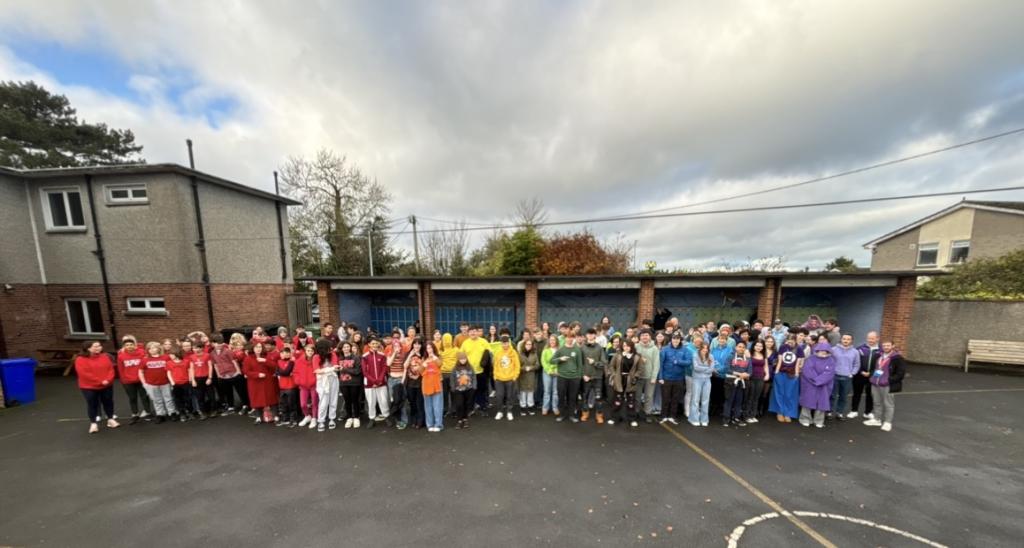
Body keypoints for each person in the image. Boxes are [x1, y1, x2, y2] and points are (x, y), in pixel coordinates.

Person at [74, 341, 119, 434]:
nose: (98, 348)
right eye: (95, 346)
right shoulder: (80, 359)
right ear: (88, 348)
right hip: (89, 386)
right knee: (92, 404)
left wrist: (108, 380)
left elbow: (110, 369)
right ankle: (93, 423)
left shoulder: (105, 357)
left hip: (106, 385)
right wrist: (99, 381)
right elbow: (84, 374)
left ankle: (110, 419)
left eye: (99, 346)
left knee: (108, 402)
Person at [864, 341, 906, 432]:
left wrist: (888, 380)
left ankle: (887, 422)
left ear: (893, 346)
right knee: (876, 402)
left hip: (887, 385)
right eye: (884, 345)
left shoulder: (897, 358)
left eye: (888, 345)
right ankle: (877, 419)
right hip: (875, 383)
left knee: (888, 404)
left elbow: (901, 373)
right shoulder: (879, 356)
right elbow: (874, 368)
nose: (886, 347)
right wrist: (872, 377)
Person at [606, 338, 643, 427]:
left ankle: (631, 419)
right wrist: (614, 375)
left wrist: (636, 376)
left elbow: (640, 369)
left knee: (631, 401)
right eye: (624, 346)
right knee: (617, 400)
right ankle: (615, 417)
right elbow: (611, 366)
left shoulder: (637, 357)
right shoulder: (618, 355)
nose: (626, 348)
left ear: (631, 346)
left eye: (628, 346)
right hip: (619, 380)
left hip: (630, 380)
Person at [799, 342, 836, 428]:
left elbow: (829, 373)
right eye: (821, 350)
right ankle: (805, 419)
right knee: (807, 401)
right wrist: (815, 380)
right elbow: (807, 370)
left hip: (824, 385)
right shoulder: (811, 359)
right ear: (817, 350)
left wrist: (819, 381)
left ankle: (819, 421)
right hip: (810, 384)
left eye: (826, 351)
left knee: (822, 403)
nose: (823, 352)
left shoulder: (831, 360)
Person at [116, 335, 151, 424]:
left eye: (131, 344)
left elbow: (146, 365)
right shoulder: (121, 356)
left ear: (134, 345)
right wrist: (123, 380)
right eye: (127, 345)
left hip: (141, 380)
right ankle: (135, 414)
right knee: (132, 398)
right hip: (128, 381)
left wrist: (146, 378)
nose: (129, 346)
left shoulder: (142, 353)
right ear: (124, 347)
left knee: (144, 397)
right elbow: (120, 369)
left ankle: (148, 412)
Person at [658, 332, 691, 425]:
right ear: (671, 340)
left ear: (680, 340)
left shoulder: (685, 350)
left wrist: (678, 362)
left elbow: (688, 362)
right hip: (666, 377)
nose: (675, 340)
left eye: (677, 339)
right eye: (674, 338)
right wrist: (660, 377)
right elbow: (660, 364)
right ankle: (663, 416)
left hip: (679, 378)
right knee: (665, 398)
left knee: (675, 398)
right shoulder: (664, 349)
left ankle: (672, 416)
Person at [210, 334, 248, 416]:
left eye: (221, 343)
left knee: (240, 391)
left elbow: (234, 361)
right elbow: (215, 364)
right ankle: (231, 407)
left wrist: (238, 372)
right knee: (228, 392)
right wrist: (218, 375)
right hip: (223, 376)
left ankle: (245, 406)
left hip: (234, 374)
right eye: (217, 343)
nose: (219, 344)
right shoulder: (212, 353)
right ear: (212, 344)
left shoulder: (227, 351)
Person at [459, 326, 493, 416]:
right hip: (469, 372)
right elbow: (461, 356)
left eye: (474, 331)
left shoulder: (483, 342)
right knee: (470, 391)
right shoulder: (465, 343)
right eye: (471, 332)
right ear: (468, 333)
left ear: (477, 332)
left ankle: (483, 408)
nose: (473, 333)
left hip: (481, 371)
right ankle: (470, 409)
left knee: (482, 391)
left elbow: (490, 352)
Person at [242, 341, 278, 425]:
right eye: (256, 347)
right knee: (256, 399)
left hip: (267, 381)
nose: (258, 349)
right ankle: (258, 417)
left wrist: (265, 361)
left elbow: (274, 366)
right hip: (255, 383)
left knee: (271, 398)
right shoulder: (248, 358)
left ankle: (275, 415)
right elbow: (246, 371)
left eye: (260, 347)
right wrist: (257, 374)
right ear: (253, 348)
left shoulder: (266, 356)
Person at [140, 341, 176, 423]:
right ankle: (160, 414)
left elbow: (172, 369)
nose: (152, 350)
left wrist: (172, 381)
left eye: (154, 347)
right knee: (157, 400)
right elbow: (140, 372)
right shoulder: (145, 360)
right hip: (152, 384)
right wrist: (144, 383)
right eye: (150, 348)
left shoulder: (166, 358)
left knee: (169, 399)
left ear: (159, 348)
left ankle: (172, 413)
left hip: (165, 382)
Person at [768, 335, 802, 423]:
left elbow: (798, 363)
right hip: (781, 373)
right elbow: (779, 360)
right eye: (788, 341)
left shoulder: (799, 349)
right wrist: (776, 372)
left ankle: (788, 413)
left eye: (792, 341)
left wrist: (797, 373)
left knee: (790, 394)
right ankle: (779, 412)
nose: (790, 343)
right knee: (779, 392)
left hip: (792, 374)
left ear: (795, 341)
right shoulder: (783, 347)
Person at [553, 334, 584, 422]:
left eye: (571, 337)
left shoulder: (577, 349)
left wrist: (578, 377)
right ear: (565, 338)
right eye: (568, 337)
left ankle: (571, 415)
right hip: (562, 377)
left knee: (572, 397)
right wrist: (560, 359)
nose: (569, 339)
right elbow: (552, 361)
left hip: (574, 378)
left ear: (573, 338)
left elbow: (580, 364)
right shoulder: (561, 349)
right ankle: (561, 415)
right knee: (561, 397)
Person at [580, 329, 608, 424]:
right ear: (586, 335)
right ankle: (585, 413)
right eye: (589, 334)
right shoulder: (582, 347)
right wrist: (583, 374)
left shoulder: (599, 348)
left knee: (598, 398)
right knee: (585, 396)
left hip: (597, 377)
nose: (590, 336)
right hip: (586, 377)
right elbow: (580, 363)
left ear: (595, 335)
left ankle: (599, 415)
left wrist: (594, 363)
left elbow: (604, 363)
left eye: (592, 334)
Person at [362, 338, 390, 428]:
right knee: (371, 402)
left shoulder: (382, 355)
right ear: (369, 344)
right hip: (369, 384)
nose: (375, 345)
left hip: (381, 383)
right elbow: (364, 371)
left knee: (384, 401)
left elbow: (384, 369)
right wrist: (373, 381)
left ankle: (386, 416)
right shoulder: (365, 356)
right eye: (373, 344)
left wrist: (379, 380)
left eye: (376, 344)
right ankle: (372, 418)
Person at [851, 332, 880, 420]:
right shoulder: (860, 349)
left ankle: (867, 412)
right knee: (856, 393)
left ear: (877, 338)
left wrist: (872, 374)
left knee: (870, 395)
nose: (870, 340)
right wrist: (860, 371)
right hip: (859, 375)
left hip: (873, 376)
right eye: (869, 338)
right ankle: (854, 411)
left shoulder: (881, 350)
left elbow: (882, 366)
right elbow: (855, 362)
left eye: (872, 338)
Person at [830, 334, 859, 421]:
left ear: (851, 341)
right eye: (844, 339)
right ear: (841, 340)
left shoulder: (855, 352)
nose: (846, 341)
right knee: (832, 396)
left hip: (847, 377)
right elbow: (829, 362)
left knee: (843, 397)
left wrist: (852, 373)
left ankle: (840, 413)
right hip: (834, 376)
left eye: (848, 339)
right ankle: (829, 412)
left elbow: (857, 364)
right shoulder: (833, 350)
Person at [709, 325, 736, 418]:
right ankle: (713, 408)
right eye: (720, 339)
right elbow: (711, 360)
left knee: (722, 393)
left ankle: (720, 409)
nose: (721, 341)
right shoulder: (714, 350)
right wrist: (713, 369)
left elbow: (728, 363)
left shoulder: (730, 350)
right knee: (714, 392)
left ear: (726, 340)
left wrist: (720, 370)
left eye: (723, 340)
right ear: (718, 340)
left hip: (723, 375)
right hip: (714, 374)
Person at [492, 335, 521, 421]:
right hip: (499, 379)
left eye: (506, 343)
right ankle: (500, 412)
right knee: (499, 396)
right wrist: (495, 376)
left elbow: (517, 365)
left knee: (510, 396)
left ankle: (509, 412)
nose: (504, 345)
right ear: (501, 344)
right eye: (503, 343)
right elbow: (495, 365)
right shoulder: (498, 352)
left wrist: (515, 376)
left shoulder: (513, 352)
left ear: (509, 343)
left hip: (510, 378)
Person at [313, 340, 340, 432]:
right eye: (329, 347)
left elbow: (336, 367)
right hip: (322, 381)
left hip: (333, 379)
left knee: (333, 399)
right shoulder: (316, 357)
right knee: (323, 401)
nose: (331, 349)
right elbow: (316, 370)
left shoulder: (332, 354)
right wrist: (331, 369)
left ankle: (332, 418)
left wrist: (330, 369)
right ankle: (321, 420)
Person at [722, 341, 750, 427]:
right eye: (739, 346)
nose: (741, 348)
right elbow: (726, 368)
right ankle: (726, 419)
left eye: (743, 347)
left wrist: (746, 374)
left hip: (742, 382)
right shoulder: (730, 357)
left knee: (739, 401)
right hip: (731, 381)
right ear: (736, 347)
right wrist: (738, 374)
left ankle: (736, 418)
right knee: (729, 400)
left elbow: (750, 371)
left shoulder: (748, 359)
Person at [636, 329, 661, 422]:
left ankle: (647, 413)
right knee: (637, 396)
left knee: (649, 396)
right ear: (640, 337)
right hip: (638, 376)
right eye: (642, 335)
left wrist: (654, 377)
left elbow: (656, 364)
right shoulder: (636, 347)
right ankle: (636, 411)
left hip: (650, 377)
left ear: (650, 337)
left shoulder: (654, 348)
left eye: (646, 335)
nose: (644, 337)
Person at [292, 340, 319, 430]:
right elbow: (295, 372)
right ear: (305, 351)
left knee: (314, 403)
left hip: (314, 385)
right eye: (308, 351)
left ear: (314, 352)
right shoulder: (299, 361)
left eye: (311, 351)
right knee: (303, 404)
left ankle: (314, 418)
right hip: (303, 386)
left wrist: (315, 381)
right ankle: (307, 416)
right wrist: (298, 381)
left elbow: (318, 371)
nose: (310, 352)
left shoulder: (316, 360)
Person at [742, 339, 769, 424]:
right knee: (750, 396)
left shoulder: (763, 355)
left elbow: (766, 366)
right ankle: (746, 415)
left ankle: (752, 415)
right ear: (754, 346)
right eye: (757, 345)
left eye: (761, 346)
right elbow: (745, 364)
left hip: (760, 378)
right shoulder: (749, 353)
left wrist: (767, 374)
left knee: (756, 397)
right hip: (751, 377)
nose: (759, 347)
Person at [337, 341, 363, 428]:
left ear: (350, 348)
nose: (346, 348)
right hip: (343, 383)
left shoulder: (356, 358)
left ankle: (356, 417)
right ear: (341, 349)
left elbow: (357, 371)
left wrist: (345, 369)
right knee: (347, 401)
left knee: (355, 400)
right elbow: (338, 372)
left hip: (354, 383)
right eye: (344, 347)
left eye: (348, 347)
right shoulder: (339, 358)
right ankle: (349, 417)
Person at [186, 340, 214, 420]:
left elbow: (210, 367)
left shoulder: (207, 355)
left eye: (197, 348)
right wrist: (193, 380)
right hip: (197, 379)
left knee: (211, 396)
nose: (195, 350)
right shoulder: (191, 357)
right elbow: (191, 369)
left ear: (201, 348)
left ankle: (213, 410)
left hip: (206, 378)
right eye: (194, 348)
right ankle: (203, 413)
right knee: (200, 397)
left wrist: (210, 378)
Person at [689, 344, 715, 427]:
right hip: (697, 379)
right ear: (700, 349)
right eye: (703, 348)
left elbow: (712, 369)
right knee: (695, 399)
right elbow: (696, 367)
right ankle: (693, 419)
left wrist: (704, 368)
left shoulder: (711, 356)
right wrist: (707, 368)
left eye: (706, 348)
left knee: (705, 400)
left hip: (707, 380)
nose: (705, 350)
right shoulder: (695, 355)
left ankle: (704, 419)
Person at [421, 342, 444, 432]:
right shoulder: (424, 359)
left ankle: (438, 424)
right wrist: (424, 364)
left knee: (437, 406)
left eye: (430, 348)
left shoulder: (438, 357)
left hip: (436, 384)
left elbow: (440, 364)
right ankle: (430, 424)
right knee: (428, 406)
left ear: (433, 349)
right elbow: (420, 371)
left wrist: (434, 357)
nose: (429, 350)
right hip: (426, 385)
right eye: (427, 348)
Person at [450, 352, 476, 429]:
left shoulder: (470, 367)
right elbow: (452, 378)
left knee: (467, 404)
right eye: (461, 359)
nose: (463, 360)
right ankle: (459, 420)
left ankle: (465, 419)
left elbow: (473, 376)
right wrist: (453, 387)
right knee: (459, 404)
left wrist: (474, 386)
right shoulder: (455, 368)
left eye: (464, 359)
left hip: (468, 389)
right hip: (458, 389)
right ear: (458, 359)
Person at [167, 345, 193, 422]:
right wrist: (172, 382)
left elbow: (189, 371)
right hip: (176, 384)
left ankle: (189, 412)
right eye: (169, 354)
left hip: (185, 383)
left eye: (171, 354)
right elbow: (169, 373)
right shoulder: (169, 363)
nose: (170, 356)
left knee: (187, 398)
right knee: (178, 400)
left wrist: (190, 380)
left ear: (177, 354)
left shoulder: (186, 361)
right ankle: (182, 414)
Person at [404, 339, 425, 429]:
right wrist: (411, 355)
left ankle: (421, 421)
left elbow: (424, 368)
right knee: (412, 403)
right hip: (410, 383)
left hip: (420, 382)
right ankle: (414, 419)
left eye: (419, 344)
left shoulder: (424, 355)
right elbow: (405, 366)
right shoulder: (408, 354)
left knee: (419, 403)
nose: (417, 346)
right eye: (415, 344)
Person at [275, 346, 299, 428]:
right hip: (282, 386)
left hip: (291, 386)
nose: (284, 354)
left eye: (286, 353)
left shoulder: (292, 362)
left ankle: (293, 420)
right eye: (282, 353)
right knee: (283, 404)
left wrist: (282, 372)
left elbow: (286, 372)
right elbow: (277, 372)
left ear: (290, 354)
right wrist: (283, 372)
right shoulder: (278, 361)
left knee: (291, 404)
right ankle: (285, 419)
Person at [518, 336, 540, 415]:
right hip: (522, 375)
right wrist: (524, 368)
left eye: (530, 344)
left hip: (531, 375)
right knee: (523, 392)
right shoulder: (520, 354)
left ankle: (530, 406)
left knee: (530, 392)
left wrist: (530, 368)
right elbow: (517, 365)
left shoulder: (534, 354)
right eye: (527, 344)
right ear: (524, 345)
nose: (529, 346)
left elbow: (537, 365)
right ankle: (523, 407)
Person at [540, 334, 560, 416]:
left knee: (555, 392)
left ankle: (555, 407)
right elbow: (543, 362)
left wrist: (556, 370)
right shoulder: (545, 350)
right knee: (547, 391)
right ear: (549, 341)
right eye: (551, 340)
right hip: (547, 373)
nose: (552, 341)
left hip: (557, 373)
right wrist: (549, 370)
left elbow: (561, 362)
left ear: (556, 341)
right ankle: (545, 408)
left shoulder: (560, 350)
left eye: (554, 340)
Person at [440, 333, 458, 417]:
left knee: (453, 392)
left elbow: (459, 362)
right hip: (443, 374)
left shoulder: (456, 350)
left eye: (448, 339)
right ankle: (445, 409)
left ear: (451, 340)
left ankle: (454, 410)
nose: (447, 342)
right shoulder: (440, 352)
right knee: (444, 393)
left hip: (452, 374)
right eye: (445, 340)